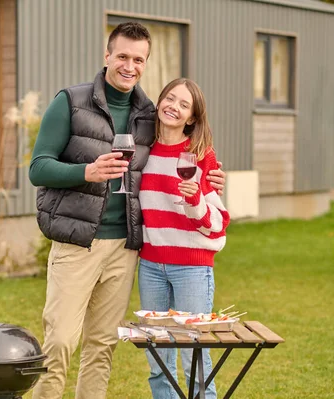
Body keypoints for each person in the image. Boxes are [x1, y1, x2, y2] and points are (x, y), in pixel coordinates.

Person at [29, 23, 226, 399]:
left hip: (125, 248)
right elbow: (38, 167)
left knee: (102, 345)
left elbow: (184, 146)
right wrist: (85, 171)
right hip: (77, 246)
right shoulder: (70, 101)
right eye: (122, 56)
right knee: (61, 343)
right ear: (107, 56)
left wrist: (212, 173)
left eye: (138, 59)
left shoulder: (148, 113)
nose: (129, 66)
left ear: (145, 63)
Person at [138, 78, 231, 399]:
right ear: (159, 100)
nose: (173, 107)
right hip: (150, 266)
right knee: (157, 359)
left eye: (183, 105)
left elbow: (217, 224)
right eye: (170, 98)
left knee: (194, 356)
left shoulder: (201, 156)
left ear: (192, 118)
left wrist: (194, 200)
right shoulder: (142, 150)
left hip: (192, 268)